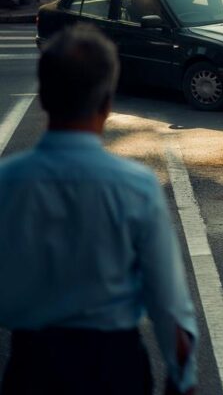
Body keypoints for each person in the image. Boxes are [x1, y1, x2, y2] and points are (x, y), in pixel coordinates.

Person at [0, 25, 199, 395]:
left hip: (32, 368)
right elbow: (169, 305)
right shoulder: (136, 187)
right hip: (113, 367)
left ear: (43, 97)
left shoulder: (7, 183)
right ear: (107, 103)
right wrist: (181, 379)